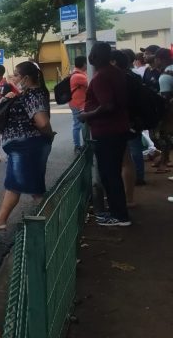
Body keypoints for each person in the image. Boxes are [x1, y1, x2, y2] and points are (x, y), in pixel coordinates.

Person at [0, 61, 54, 230]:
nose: (12, 77)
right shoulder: (28, 93)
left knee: (31, 187)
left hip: (27, 147)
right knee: (16, 184)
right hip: (23, 147)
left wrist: (49, 135)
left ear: (26, 78)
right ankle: (1, 220)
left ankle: (55, 221)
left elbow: (42, 122)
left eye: (16, 74)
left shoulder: (33, 94)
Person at [79, 42, 131, 227]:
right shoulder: (116, 72)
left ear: (97, 57)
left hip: (107, 131)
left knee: (110, 174)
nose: (90, 58)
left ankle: (120, 216)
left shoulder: (102, 77)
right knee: (112, 172)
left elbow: (107, 105)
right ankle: (118, 211)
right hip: (117, 129)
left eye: (92, 54)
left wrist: (87, 115)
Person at [110, 49, 142, 204]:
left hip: (122, 122)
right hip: (134, 121)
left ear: (114, 62)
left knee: (124, 160)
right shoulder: (134, 76)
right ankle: (129, 197)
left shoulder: (119, 78)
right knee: (129, 158)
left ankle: (127, 199)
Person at [68, 56, 89, 154]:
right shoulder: (79, 76)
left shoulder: (76, 73)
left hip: (77, 103)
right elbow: (91, 84)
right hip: (78, 104)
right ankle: (78, 146)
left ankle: (81, 145)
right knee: (78, 125)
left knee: (80, 125)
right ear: (84, 64)